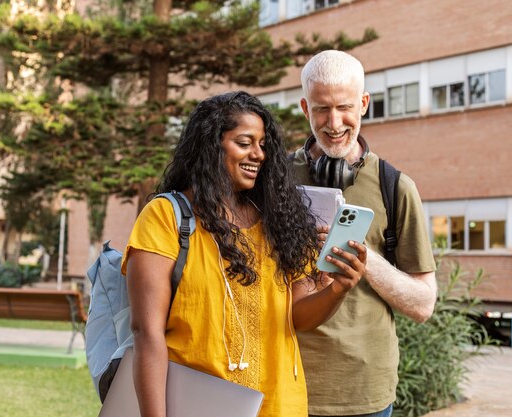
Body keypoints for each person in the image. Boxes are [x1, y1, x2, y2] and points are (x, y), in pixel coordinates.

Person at [122, 91, 368, 417]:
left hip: (280, 405)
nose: (259, 154)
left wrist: (338, 288)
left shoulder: (277, 221)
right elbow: (147, 334)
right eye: (244, 142)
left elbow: (299, 317)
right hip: (199, 405)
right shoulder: (165, 217)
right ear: (211, 146)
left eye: (263, 144)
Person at [292, 50, 438, 417]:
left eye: (344, 107)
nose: (334, 122)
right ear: (305, 109)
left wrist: (362, 256)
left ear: (364, 104)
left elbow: (423, 305)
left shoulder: (396, 187)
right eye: (322, 109)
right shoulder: (272, 178)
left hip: (364, 391)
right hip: (284, 379)